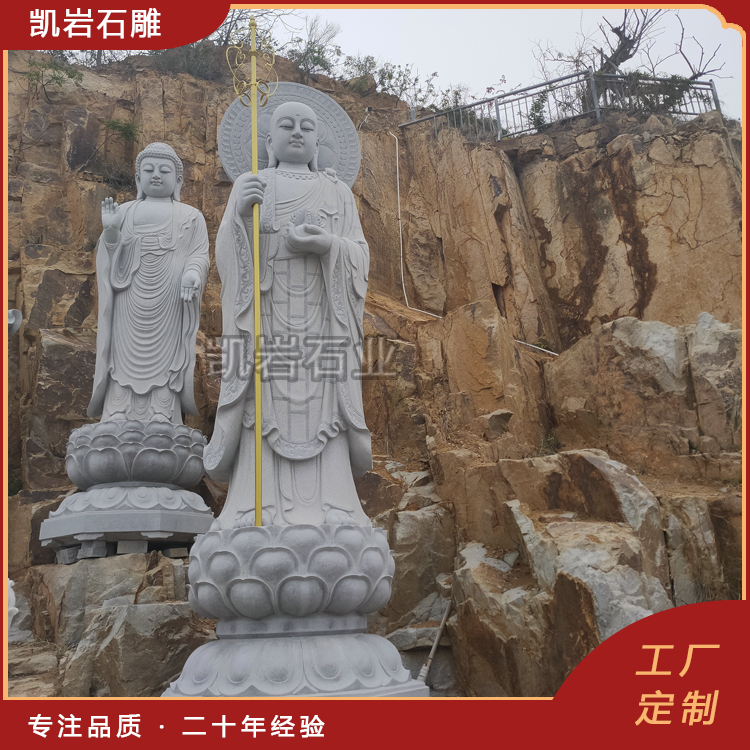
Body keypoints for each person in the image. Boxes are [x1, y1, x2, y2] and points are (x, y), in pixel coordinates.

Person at [205, 101, 372, 527]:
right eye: (287, 125)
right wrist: (240, 216)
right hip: (265, 319)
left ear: (318, 141)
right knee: (260, 406)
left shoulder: (337, 191)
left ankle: (336, 508)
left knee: (326, 411)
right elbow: (227, 258)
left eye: (306, 127)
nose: (297, 132)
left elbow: (360, 255)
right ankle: (254, 509)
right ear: (268, 141)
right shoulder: (253, 184)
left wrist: (328, 245)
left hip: (323, 322)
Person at [88, 142, 209, 424]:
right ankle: (117, 411)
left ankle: (162, 412)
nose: (156, 175)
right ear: (137, 178)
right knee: (122, 354)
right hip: (128, 298)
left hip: (170, 299)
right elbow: (109, 258)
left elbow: (199, 256)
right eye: (149, 170)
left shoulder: (191, 216)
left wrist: (192, 274)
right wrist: (111, 233)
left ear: (178, 180)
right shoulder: (124, 212)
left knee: (167, 357)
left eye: (164, 171)